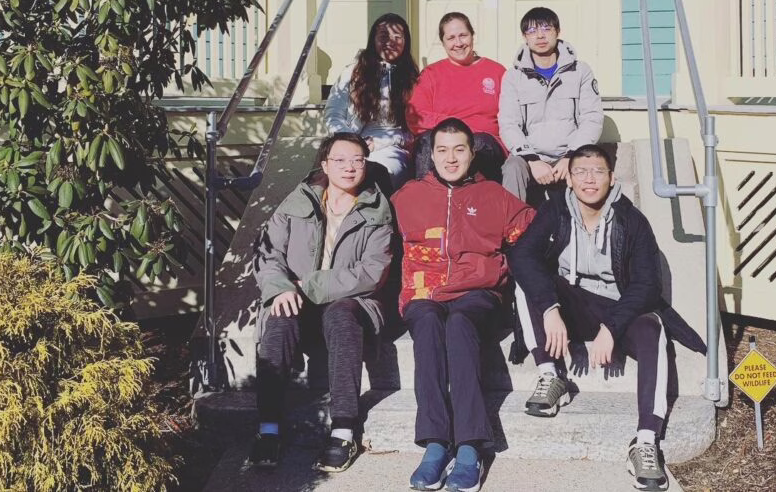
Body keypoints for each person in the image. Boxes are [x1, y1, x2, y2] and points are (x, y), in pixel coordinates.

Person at [508, 145, 706, 492]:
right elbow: (522, 255)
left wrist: (611, 328)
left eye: (598, 171)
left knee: (653, 327)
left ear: (612, 177)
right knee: (529, 284)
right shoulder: (555, 209)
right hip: (572, 306)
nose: (589, 179)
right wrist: (551, 308)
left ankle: (645, 441)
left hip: (617, 309)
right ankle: (551, 376)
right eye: (581, 171)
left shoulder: (632, 220)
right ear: (568, 178)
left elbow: (647, 284)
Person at [392, 118, 535, 492]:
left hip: (478, 291)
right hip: (425, 292)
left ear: (472, 153)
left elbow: (534, 237)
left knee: (459, 325)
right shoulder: (408, 196)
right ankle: (436, 444)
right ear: (431, 154)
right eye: (442, 150)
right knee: (425, 325)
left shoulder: (494, 195)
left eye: (459, 149)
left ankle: (470, 446)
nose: (450, 158)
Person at [248, 133, 394, 473]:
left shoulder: (377, 209)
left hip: (351, 302)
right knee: (281, 317)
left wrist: (307, 286)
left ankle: (343, 428)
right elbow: (267, 253)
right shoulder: (297, 203)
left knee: (342, 317)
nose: (349, 167)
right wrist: (281, 288)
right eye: (340, 160)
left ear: (366, 164)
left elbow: (371, 273)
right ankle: (268, 427)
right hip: (296, 299)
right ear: (325, 165)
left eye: (357, 160)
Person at [499, 7, 603, 203]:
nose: (540, 36)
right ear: (524, 37)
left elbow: (592, 118)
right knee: (512, 167)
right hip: (531, 155)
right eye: (532, 31)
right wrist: (532, 159)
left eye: (546, 28)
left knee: (592, 168)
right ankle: (513, 231)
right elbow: (508, 123)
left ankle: (591, 229)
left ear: (558, 31)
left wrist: (571, 155)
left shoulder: (580, 71)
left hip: (571, 153)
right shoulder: (513, 76)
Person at [406, 12, 507, 181]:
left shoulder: (496, 71)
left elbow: (510, 115)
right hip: (443, 139)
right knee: (425, 144)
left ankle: (481, 204)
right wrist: (455, 129)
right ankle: (424, 199)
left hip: (484, 140)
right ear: (443, 42)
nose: (458, 43)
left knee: (479, 144)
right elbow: (415, 117)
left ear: (472, 35)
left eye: (463, 35)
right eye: (451, 38)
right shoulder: (431, 74)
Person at [325, 13, 419, 193]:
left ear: (405, 42)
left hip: (392, 146)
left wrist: (380, 143)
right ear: (373, 40)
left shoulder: (412, 78)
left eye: (397, 37)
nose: (390, 42)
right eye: (383, 36)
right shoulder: (354, 71)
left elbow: (412, 133)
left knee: (379, 173)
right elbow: (334, 114)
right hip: (350, 141)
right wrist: (350, 142)